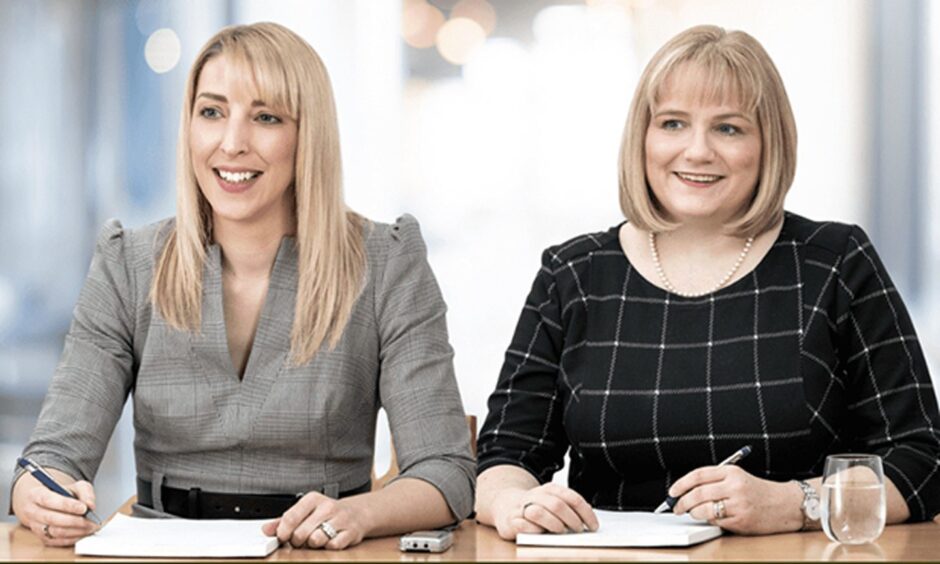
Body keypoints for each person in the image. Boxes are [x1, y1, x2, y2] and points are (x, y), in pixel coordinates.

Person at [11, 22, 474, 550]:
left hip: (322, 554)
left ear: (307, 134)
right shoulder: (128, 263)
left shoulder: (386, 263)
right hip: (164, 553)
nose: (232, 143)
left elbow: (446, 471)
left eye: (266, 117)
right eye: (211, 112)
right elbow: (52, 457)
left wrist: (361, 513)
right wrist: (37, 491)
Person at [475, 25, 940, 539]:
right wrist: (513, 504)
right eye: (673, 123)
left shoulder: (834, 263)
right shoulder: (573, 274)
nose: (697, 151)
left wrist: (797, 503)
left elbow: (922, 461)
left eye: (729, 128)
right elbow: (505, 455)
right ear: (643, 137)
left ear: (769, 144)